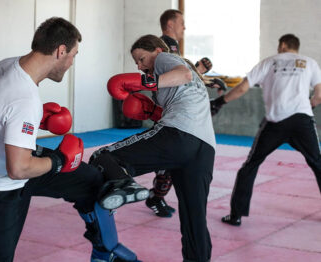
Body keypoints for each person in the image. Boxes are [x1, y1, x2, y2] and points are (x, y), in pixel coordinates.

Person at [0, 17, 140, 262]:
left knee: (89, 179)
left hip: (16, 167)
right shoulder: (24, 98)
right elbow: (18, 168)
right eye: (74, 55)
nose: (72, 63)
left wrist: (36, 122)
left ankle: (105, 249)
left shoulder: (5, 67)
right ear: (61, 51)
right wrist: (59, 160)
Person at [92, 34, 216, 262]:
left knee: (103, 156)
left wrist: (147, 83)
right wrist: (150, 109)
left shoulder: (164, 58)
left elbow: (184, 74)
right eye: (136, 63)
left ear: (157, 51)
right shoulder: (176, 79)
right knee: (194, 218)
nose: (139, 66)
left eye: (141, 59)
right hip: (205, 148)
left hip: (179, 134)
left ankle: (127, 186)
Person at [212, 34, 321, 226]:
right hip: (302, 122)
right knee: (318, 164)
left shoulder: (268, 62)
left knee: (250, 165)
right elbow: (319, 95)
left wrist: (220, 102)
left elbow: (243, 87)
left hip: (275, 122)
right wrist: (307, 108)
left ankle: (236, 215)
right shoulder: (310, 63)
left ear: (283, 45)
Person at [144, 9, 216, 218]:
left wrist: (202, 73)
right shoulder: (162, 48)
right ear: (169, 24)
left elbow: (183, 77)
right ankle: (155, 198)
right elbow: (174, 79)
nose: (184, 27)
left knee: (175, 160)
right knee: (169, 161)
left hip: (177, 110)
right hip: (170, 110)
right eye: (181, 22)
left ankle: (156, 197)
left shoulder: (171, 48)